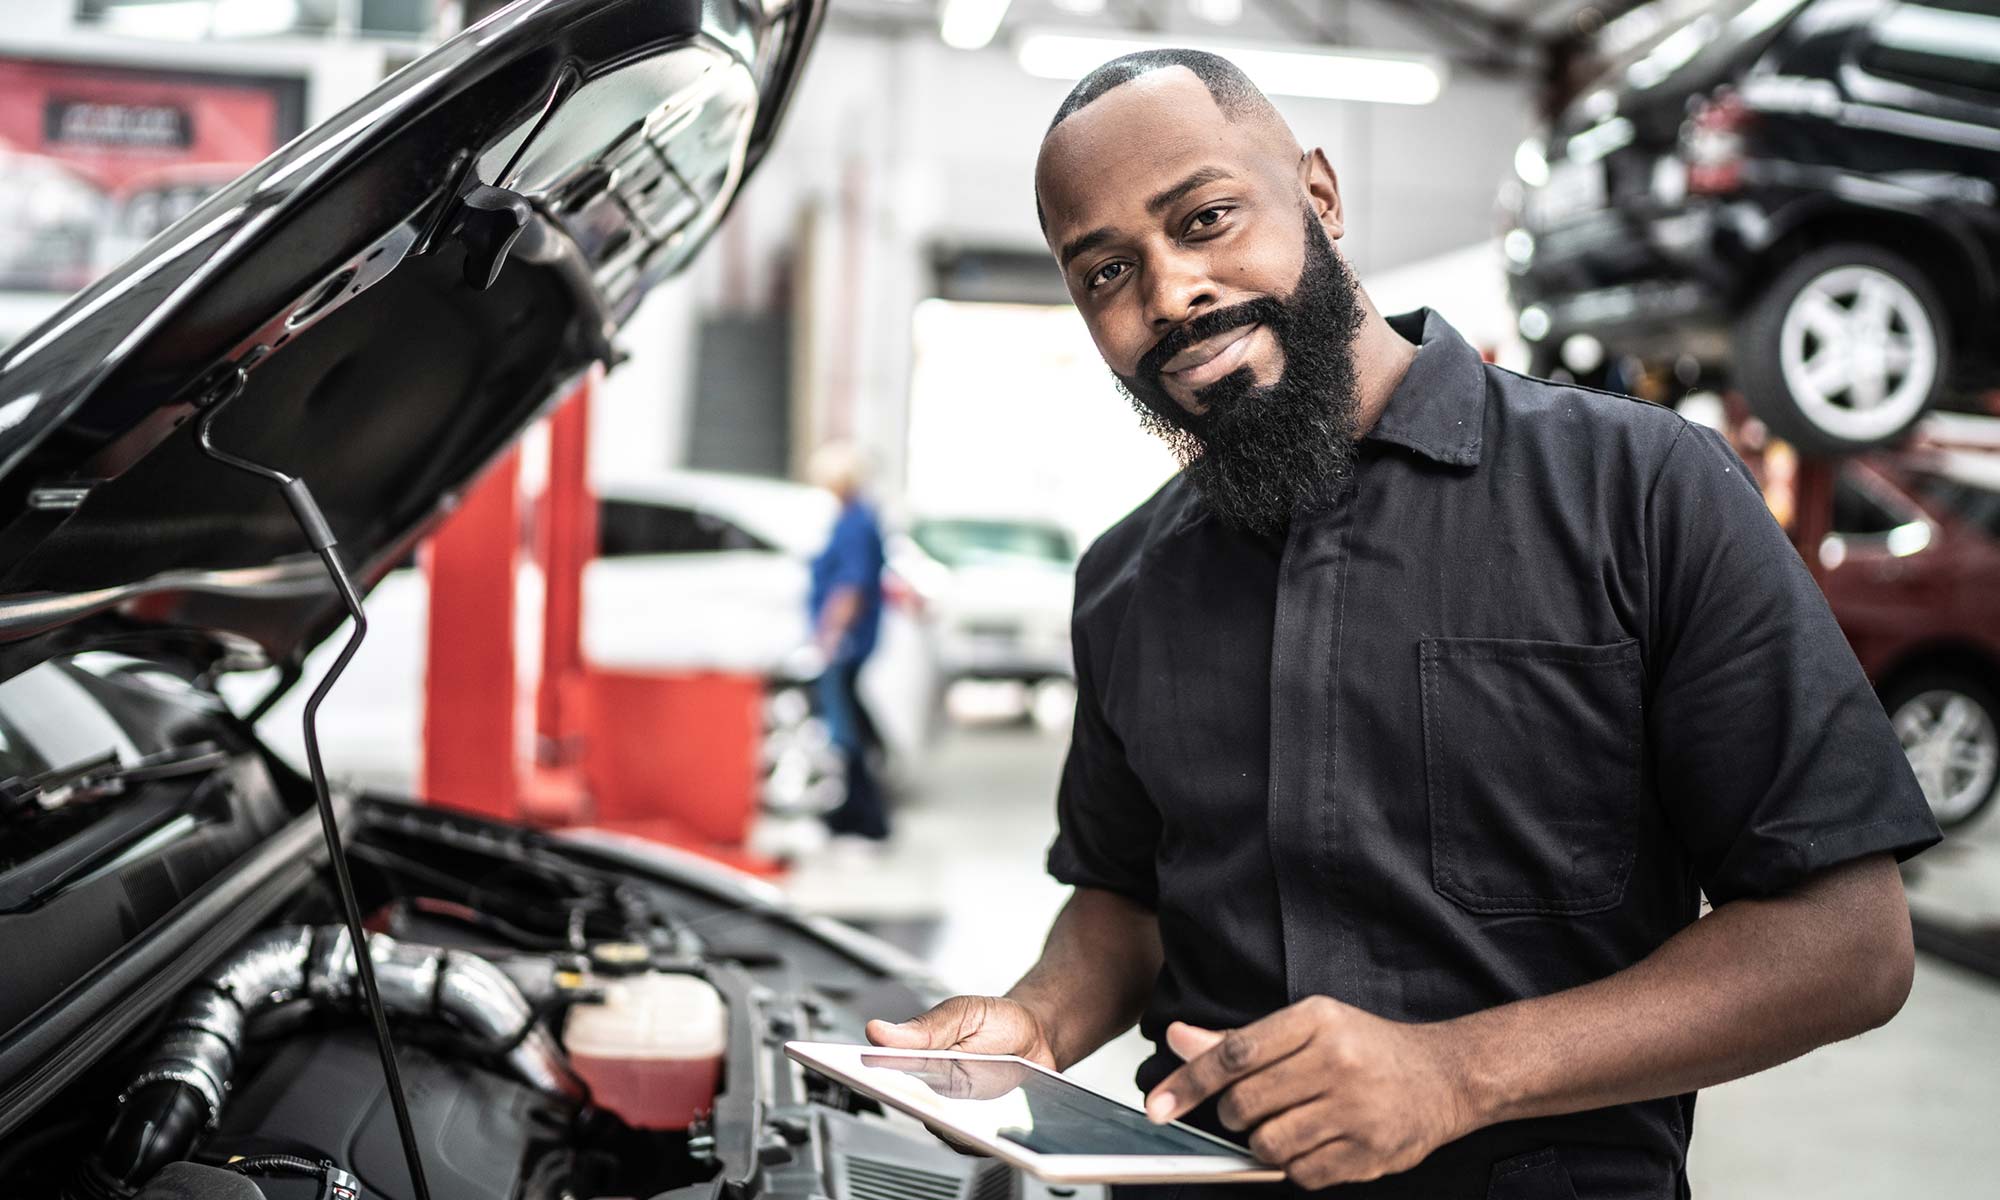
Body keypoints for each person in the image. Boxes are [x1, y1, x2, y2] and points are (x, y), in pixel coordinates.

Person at [866, 50, 1941, 1198]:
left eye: (1208, 218)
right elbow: (1127, 901)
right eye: (1106, 272)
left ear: (1319, 197)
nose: (1168, 292)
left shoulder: (1638, 490)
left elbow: (1845, 943)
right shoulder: (1127, 579)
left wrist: (1458, 1072)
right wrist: (1036, 1021)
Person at [808, 442, 890, 844]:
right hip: (852, 639)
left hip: (847, 642)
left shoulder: (855, 522)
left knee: (845, 726)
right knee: (850, 721)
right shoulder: (855, 518)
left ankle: (865, 813)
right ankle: (854, 810)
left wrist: (830, 633)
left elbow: (850, 586)